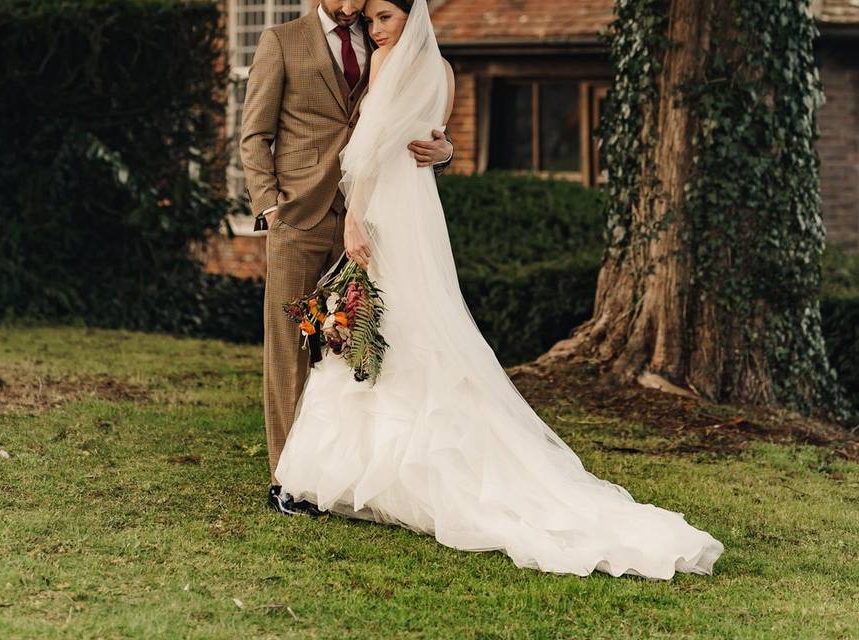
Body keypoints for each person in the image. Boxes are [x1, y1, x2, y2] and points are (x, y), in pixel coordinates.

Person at [273, 0, 725, 580]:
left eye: (384, 18)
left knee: (391, 324)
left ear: (413, 17)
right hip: (417, 210)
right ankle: (367, 472)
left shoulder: (391, 64)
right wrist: (443, 154)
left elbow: (370, 148)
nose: (375, 30)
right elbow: (431, 142)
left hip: (386, 205)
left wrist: (354, 217)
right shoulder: (444, 71)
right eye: (370, 22)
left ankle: (367, 476)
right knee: (401, 323)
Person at [239, 0, 455, 516]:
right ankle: (286, 479)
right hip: (300, 218)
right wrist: (270, 204)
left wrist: (445, 154)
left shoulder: (385, 39)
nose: (352, 7)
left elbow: (405, 122)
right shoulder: (282, 41)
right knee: (293, 341)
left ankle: (337, 471)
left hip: (370, 220)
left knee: (353, 340)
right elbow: (254, 135)